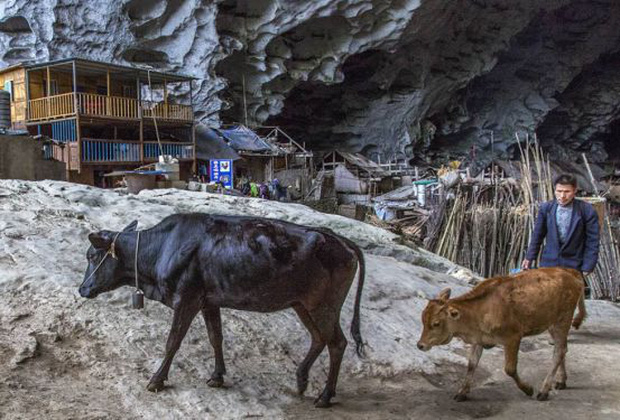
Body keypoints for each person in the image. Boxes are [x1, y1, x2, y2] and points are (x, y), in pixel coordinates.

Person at [521, 174, 600, 278]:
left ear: (575, 190)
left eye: (567, 192)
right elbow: (537, 235)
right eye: (559, 191)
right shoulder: (546, 209)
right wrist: (529, 257)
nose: (562, 196)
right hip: (549, 263)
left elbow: (592, 241)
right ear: (555, 190)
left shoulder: (586, 211)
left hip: (574, 265)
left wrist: (588, 266)